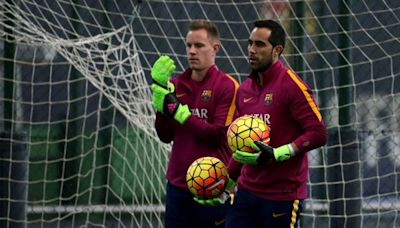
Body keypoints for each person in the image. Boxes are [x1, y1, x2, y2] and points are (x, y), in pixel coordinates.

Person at [226, 19, 328, 227]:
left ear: (277, 50)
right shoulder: (244, 90)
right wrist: (226, 184)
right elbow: (240, 145)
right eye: (250, 43)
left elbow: (318, 133)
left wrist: (279, 153)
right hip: (246, 193)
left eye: (260, 44)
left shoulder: (292, 86)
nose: (252, 50)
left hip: (282, 197)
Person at [150, 20, 239, 228]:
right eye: (188, 45)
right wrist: (162, 104)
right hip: (177, 186)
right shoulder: (177, 85)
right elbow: (165, 135)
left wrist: (181, 114)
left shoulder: (227, 86)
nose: (192, 51)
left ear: (215, 49)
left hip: (212, 186)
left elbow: (217, 135)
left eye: (199, 46)